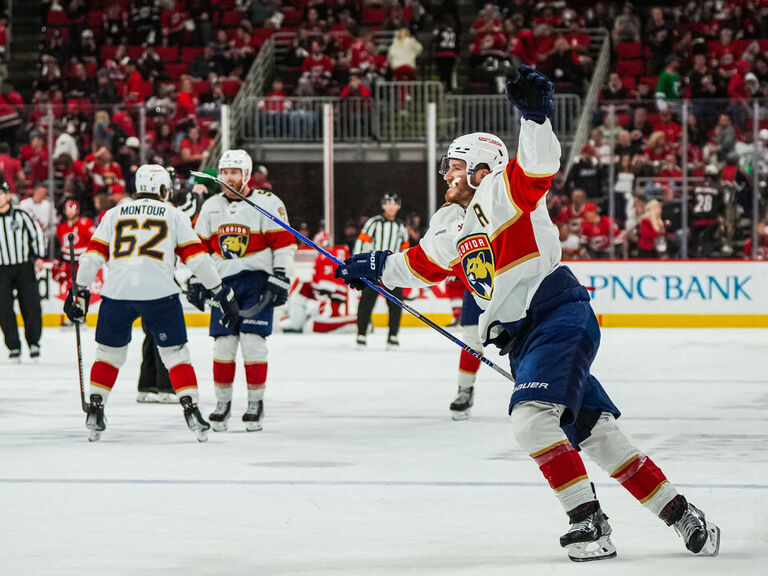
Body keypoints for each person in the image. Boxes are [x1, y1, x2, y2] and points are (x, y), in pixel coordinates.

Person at [335, 65, 720, 562]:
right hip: (523, 339)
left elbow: (537, 169)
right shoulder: (451, 221)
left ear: (478, 170)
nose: (445, 175)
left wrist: (535, 118)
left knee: (532, 421)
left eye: (454, 166)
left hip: (555, 314)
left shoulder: (504, 193)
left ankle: (589, 524)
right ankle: (683, 514)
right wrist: (373, 267)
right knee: (599, 435)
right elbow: (422, 264)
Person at [63, 164, 239, 442]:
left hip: (117, 292)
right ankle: (191, 410)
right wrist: (219, 289)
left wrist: (80, 290)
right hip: (160, 292)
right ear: (162, 188)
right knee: (175, 355)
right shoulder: (174, 214)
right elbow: (197, 258)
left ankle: (95, 409)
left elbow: (92, 256)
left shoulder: (113, 213)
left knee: (108, 354)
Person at [191, 150, 296, 432]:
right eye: (224, 172)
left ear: (246, 175)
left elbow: (284, 243)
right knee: (223, 345)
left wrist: (282, 275)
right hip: (222, 284)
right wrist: (197, 279)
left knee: (252, 343)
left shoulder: (267, 203)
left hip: (257, 282)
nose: (227, 177)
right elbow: (198, 249)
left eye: (233, 173)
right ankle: (222, 404)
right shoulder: (211, 206)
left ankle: (254, 404)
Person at [353, 193, 409, 349]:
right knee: (366, 302)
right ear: (383, 206)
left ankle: (393, 336)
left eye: (394, 204)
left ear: (398, 206)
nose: (391, 206)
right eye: (388, 203)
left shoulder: (401, 226)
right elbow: (361, 242)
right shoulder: (374, 223)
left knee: (395, 304)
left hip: (394, 270)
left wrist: (405, 270)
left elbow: (405, 250)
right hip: (373, 269)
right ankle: (361, 334)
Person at [0, 177, 45, 361]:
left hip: (24, 266)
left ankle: (33, 342)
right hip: (1, 269)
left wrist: (40, 256)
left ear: (9, 195)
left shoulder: (22, 214)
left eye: (2, 193)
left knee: (31, 305)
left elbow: (37, 234)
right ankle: (13, 346)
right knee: (4, 309)